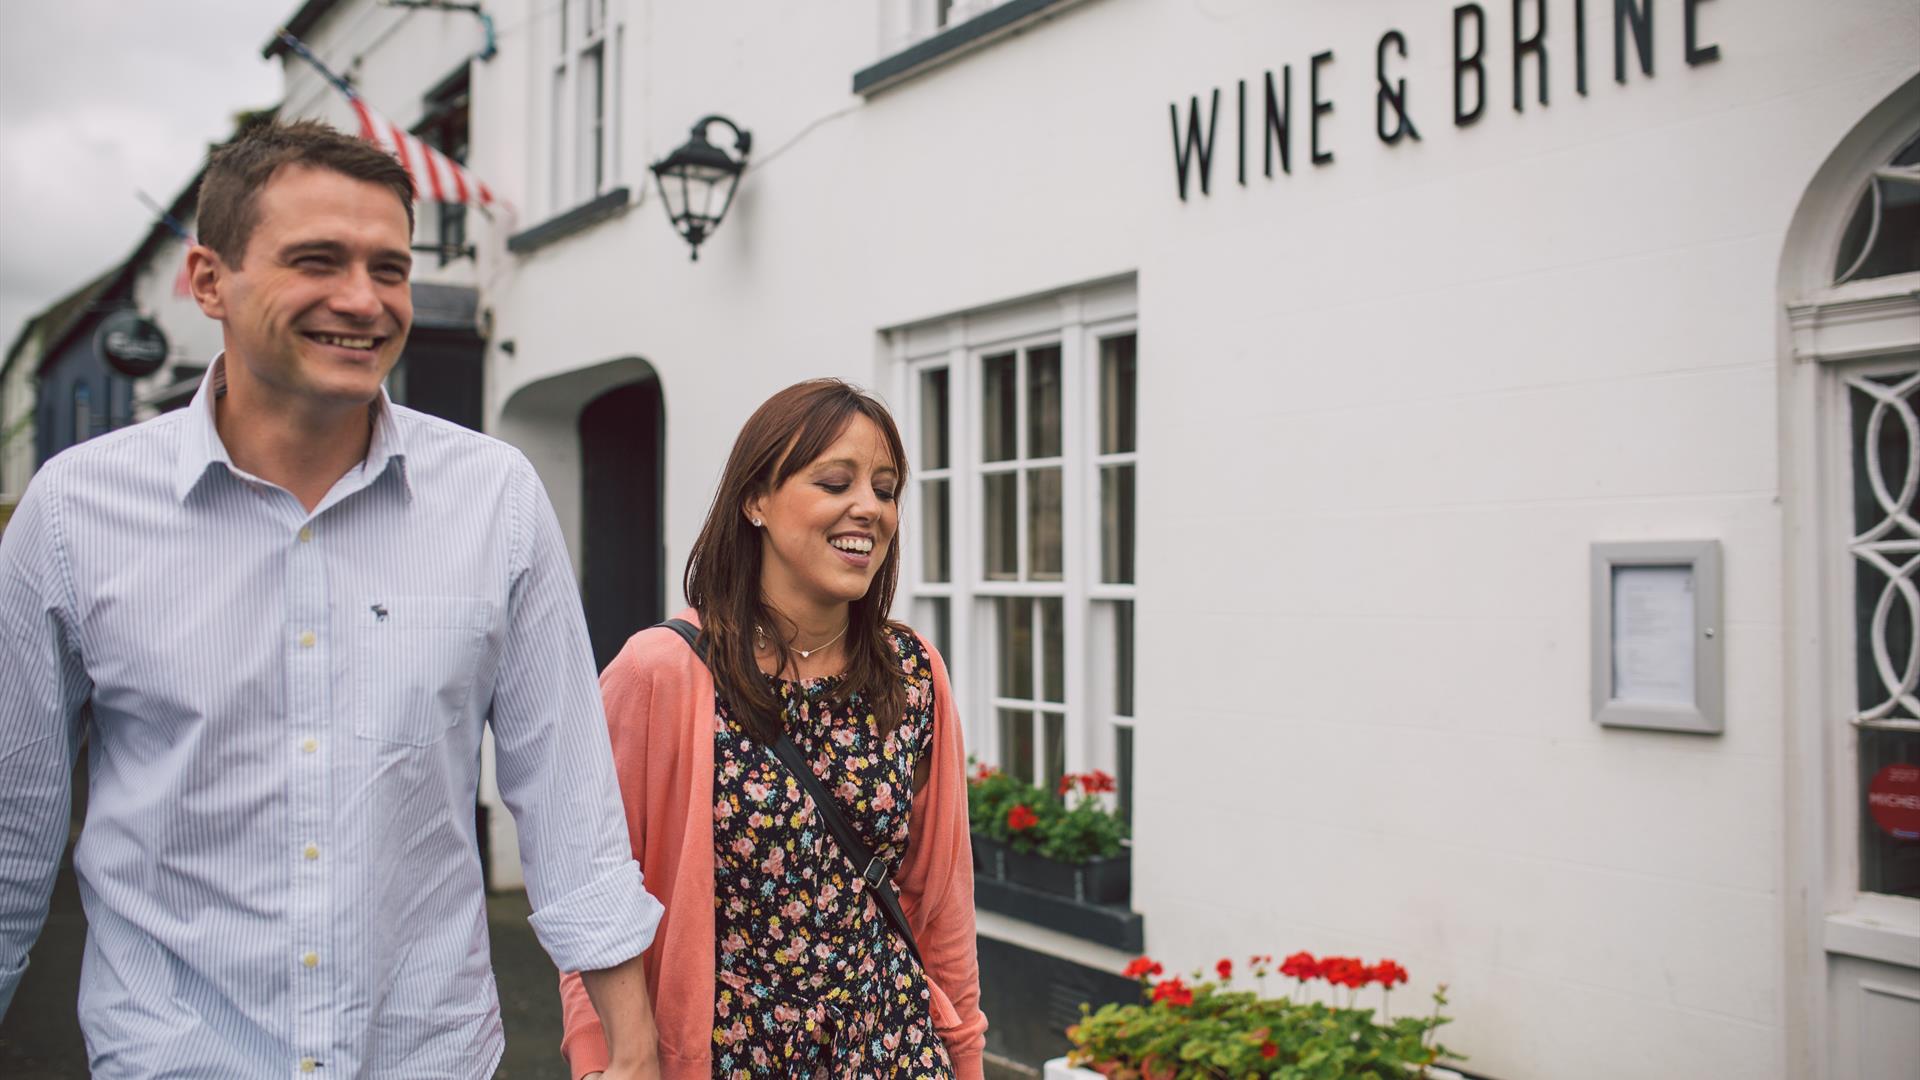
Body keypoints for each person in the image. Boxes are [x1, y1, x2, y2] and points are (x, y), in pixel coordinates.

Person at [0, 120, 664, 1078]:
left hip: (428, 1058)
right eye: (318, 260)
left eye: (388, 268)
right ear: (207, 281)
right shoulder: (73, 514)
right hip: (178, 1058)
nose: (363, 300)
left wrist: (633, 1049)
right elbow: (15, 828)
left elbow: (569, 806)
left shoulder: (495, 497)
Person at [558, 379, 986, 1080]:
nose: (868, 509)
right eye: (835, 481)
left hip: (893, 1052)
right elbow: (593, 886)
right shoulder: (662, 672)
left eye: (884, 488)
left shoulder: (910, 670)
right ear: (755, 499)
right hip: (730, 1056)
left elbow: (943, 903)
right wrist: (602, 1056)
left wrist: (964, 1054)